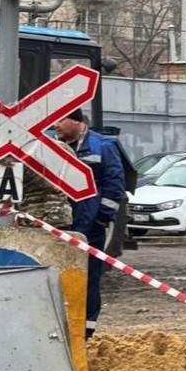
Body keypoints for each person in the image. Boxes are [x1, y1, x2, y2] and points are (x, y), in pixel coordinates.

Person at [53, 108, 126, 339]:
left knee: (89, 277)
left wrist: (102, 218)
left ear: (76, 121)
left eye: (60, 120)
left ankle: (86, 330)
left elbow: (114, 184)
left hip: (90, 226)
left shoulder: (102, 146)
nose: (55, 125)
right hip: (60, 224)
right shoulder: (53, 147)